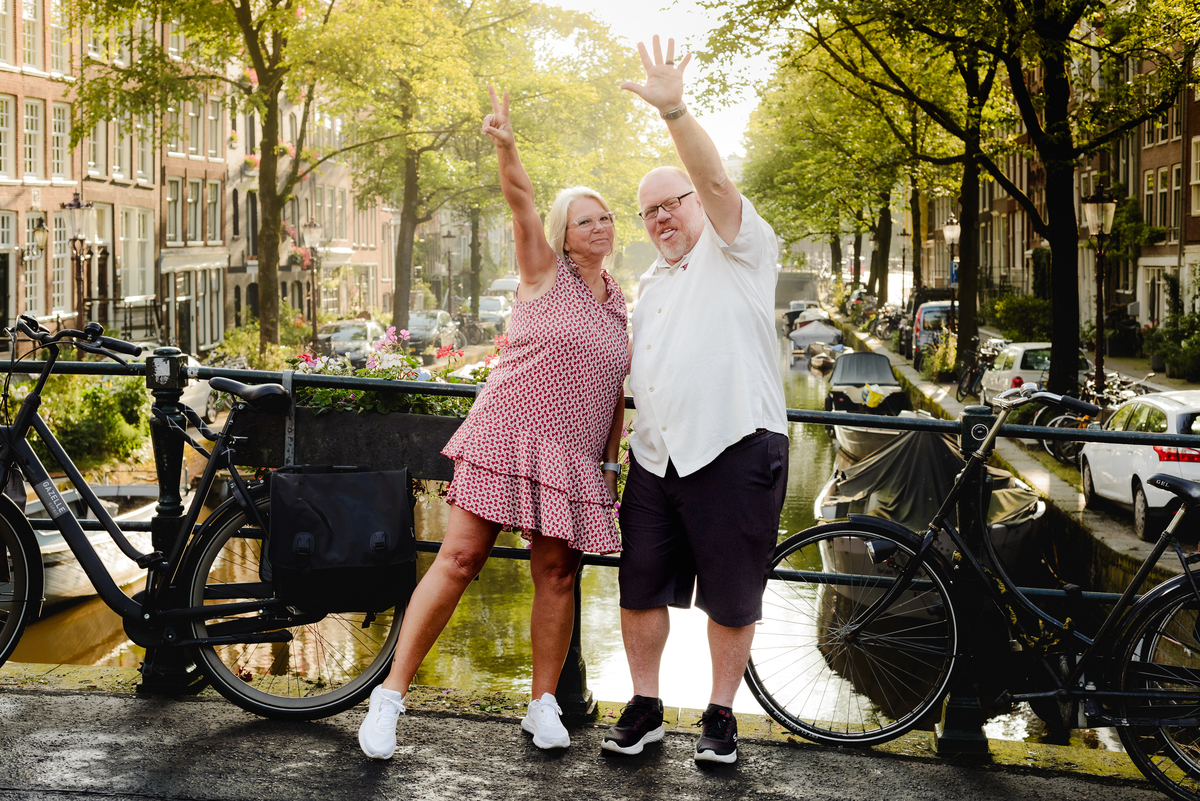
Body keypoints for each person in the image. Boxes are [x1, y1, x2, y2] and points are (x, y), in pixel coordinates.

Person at [359, 85, 629, 758]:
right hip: (508, 431)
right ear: (563, 234)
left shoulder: (622, 305)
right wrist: (506, 146)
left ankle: (542, 704)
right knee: (458, 559)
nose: (600, 227)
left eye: (607, 218)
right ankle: (388, 698)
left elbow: (614, 390)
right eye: (586, 220)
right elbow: (520, 200)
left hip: (571, 455)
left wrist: (610, 459)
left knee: (557, 573)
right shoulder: (545, 272)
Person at [601, 36, 788, 765]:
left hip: (736, 444)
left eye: (668, 204)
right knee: (638, 582)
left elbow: (712, 180)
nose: (659, 219)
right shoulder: (651, 285)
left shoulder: (741, 247)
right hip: (657, 456)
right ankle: (646, 706)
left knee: (732, 594)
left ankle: (719, 715)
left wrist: (674, 109)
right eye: (646, 212)